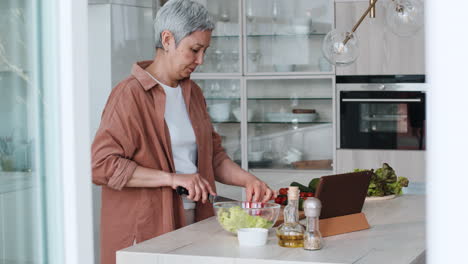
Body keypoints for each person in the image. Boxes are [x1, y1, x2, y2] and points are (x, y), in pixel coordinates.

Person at [91, 1, 275, 263]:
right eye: (195, 49)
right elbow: (101, 166)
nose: (200, 60)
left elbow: (213, 157)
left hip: (193, 222)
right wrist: (172, 178)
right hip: (146, 231)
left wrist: (248, 180)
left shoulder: (193, 94)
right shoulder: (129, 95)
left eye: (204, 51)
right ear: (167, 40)